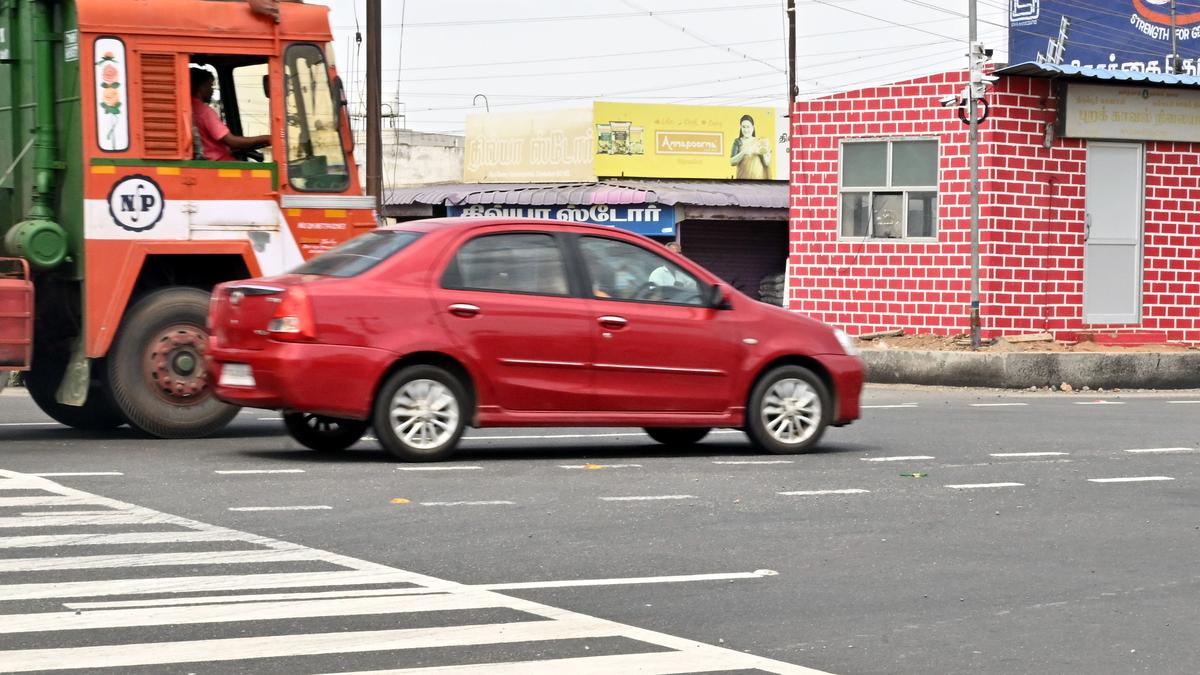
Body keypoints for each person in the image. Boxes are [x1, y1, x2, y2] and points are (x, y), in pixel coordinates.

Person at [190, 68, 271, 161]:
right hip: (220, 163)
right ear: (201, 87)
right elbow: (232, 141)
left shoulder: (190, 107)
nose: (212, 90)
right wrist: (267, 138)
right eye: (210, 86)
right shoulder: (205, 112)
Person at [729, 114, 771, 180]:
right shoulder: (737, 141)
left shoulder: (760, 141)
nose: (746, 130)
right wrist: (743, 152)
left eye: (748, 127)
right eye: (743, 127)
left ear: (753, 128)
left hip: (759, 179)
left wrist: (764, 154)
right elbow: (732, 162)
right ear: (741, 128)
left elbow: (767, 163)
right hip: (742, 180)